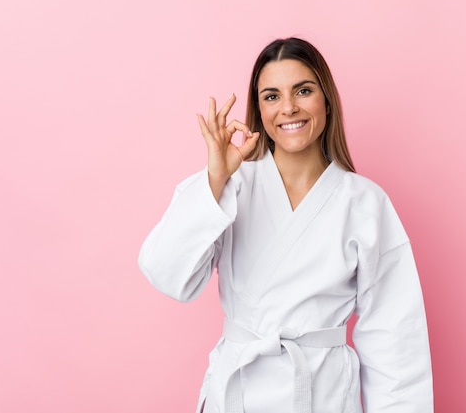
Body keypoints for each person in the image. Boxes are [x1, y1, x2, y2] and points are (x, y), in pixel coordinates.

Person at [138, 37, 433, 413]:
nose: (288, 107)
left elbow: (396, 340)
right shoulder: (230, 187)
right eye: (271, 96)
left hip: (322, 397)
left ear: (326, 99)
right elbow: (167, 274)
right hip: (237, 395)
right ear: (258, 109)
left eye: (303, 91)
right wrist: (215, 179)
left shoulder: (364, 203)